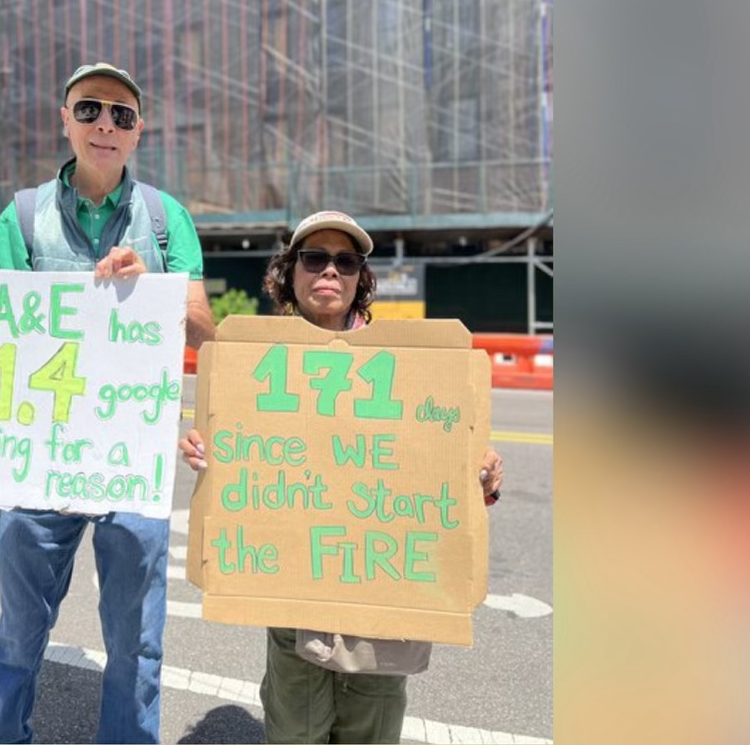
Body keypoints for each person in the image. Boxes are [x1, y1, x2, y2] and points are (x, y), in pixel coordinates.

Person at [0, 62, 216, 744]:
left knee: (136, 645)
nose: (105, 125)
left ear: (139, 130)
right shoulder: (24, 216)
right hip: (38, 464)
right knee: (19, 636)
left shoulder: (166, 219)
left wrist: (157, 289)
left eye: (121, 114)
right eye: (90, 109)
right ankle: (5, 736)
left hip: (129, 465)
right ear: (66, 120)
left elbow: (207, 329)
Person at [177, 210, 504, 744]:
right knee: (294, 732)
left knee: (369, 736)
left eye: (346, 261)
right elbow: (229, 452)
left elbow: (449, 467)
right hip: (293, 608)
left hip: (382, 616)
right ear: (290, 272)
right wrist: (201, 448)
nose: (330, 271)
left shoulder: (410, 363)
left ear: (360, 279)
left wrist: (482, 475)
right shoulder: (254, 362)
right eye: (314, 258)